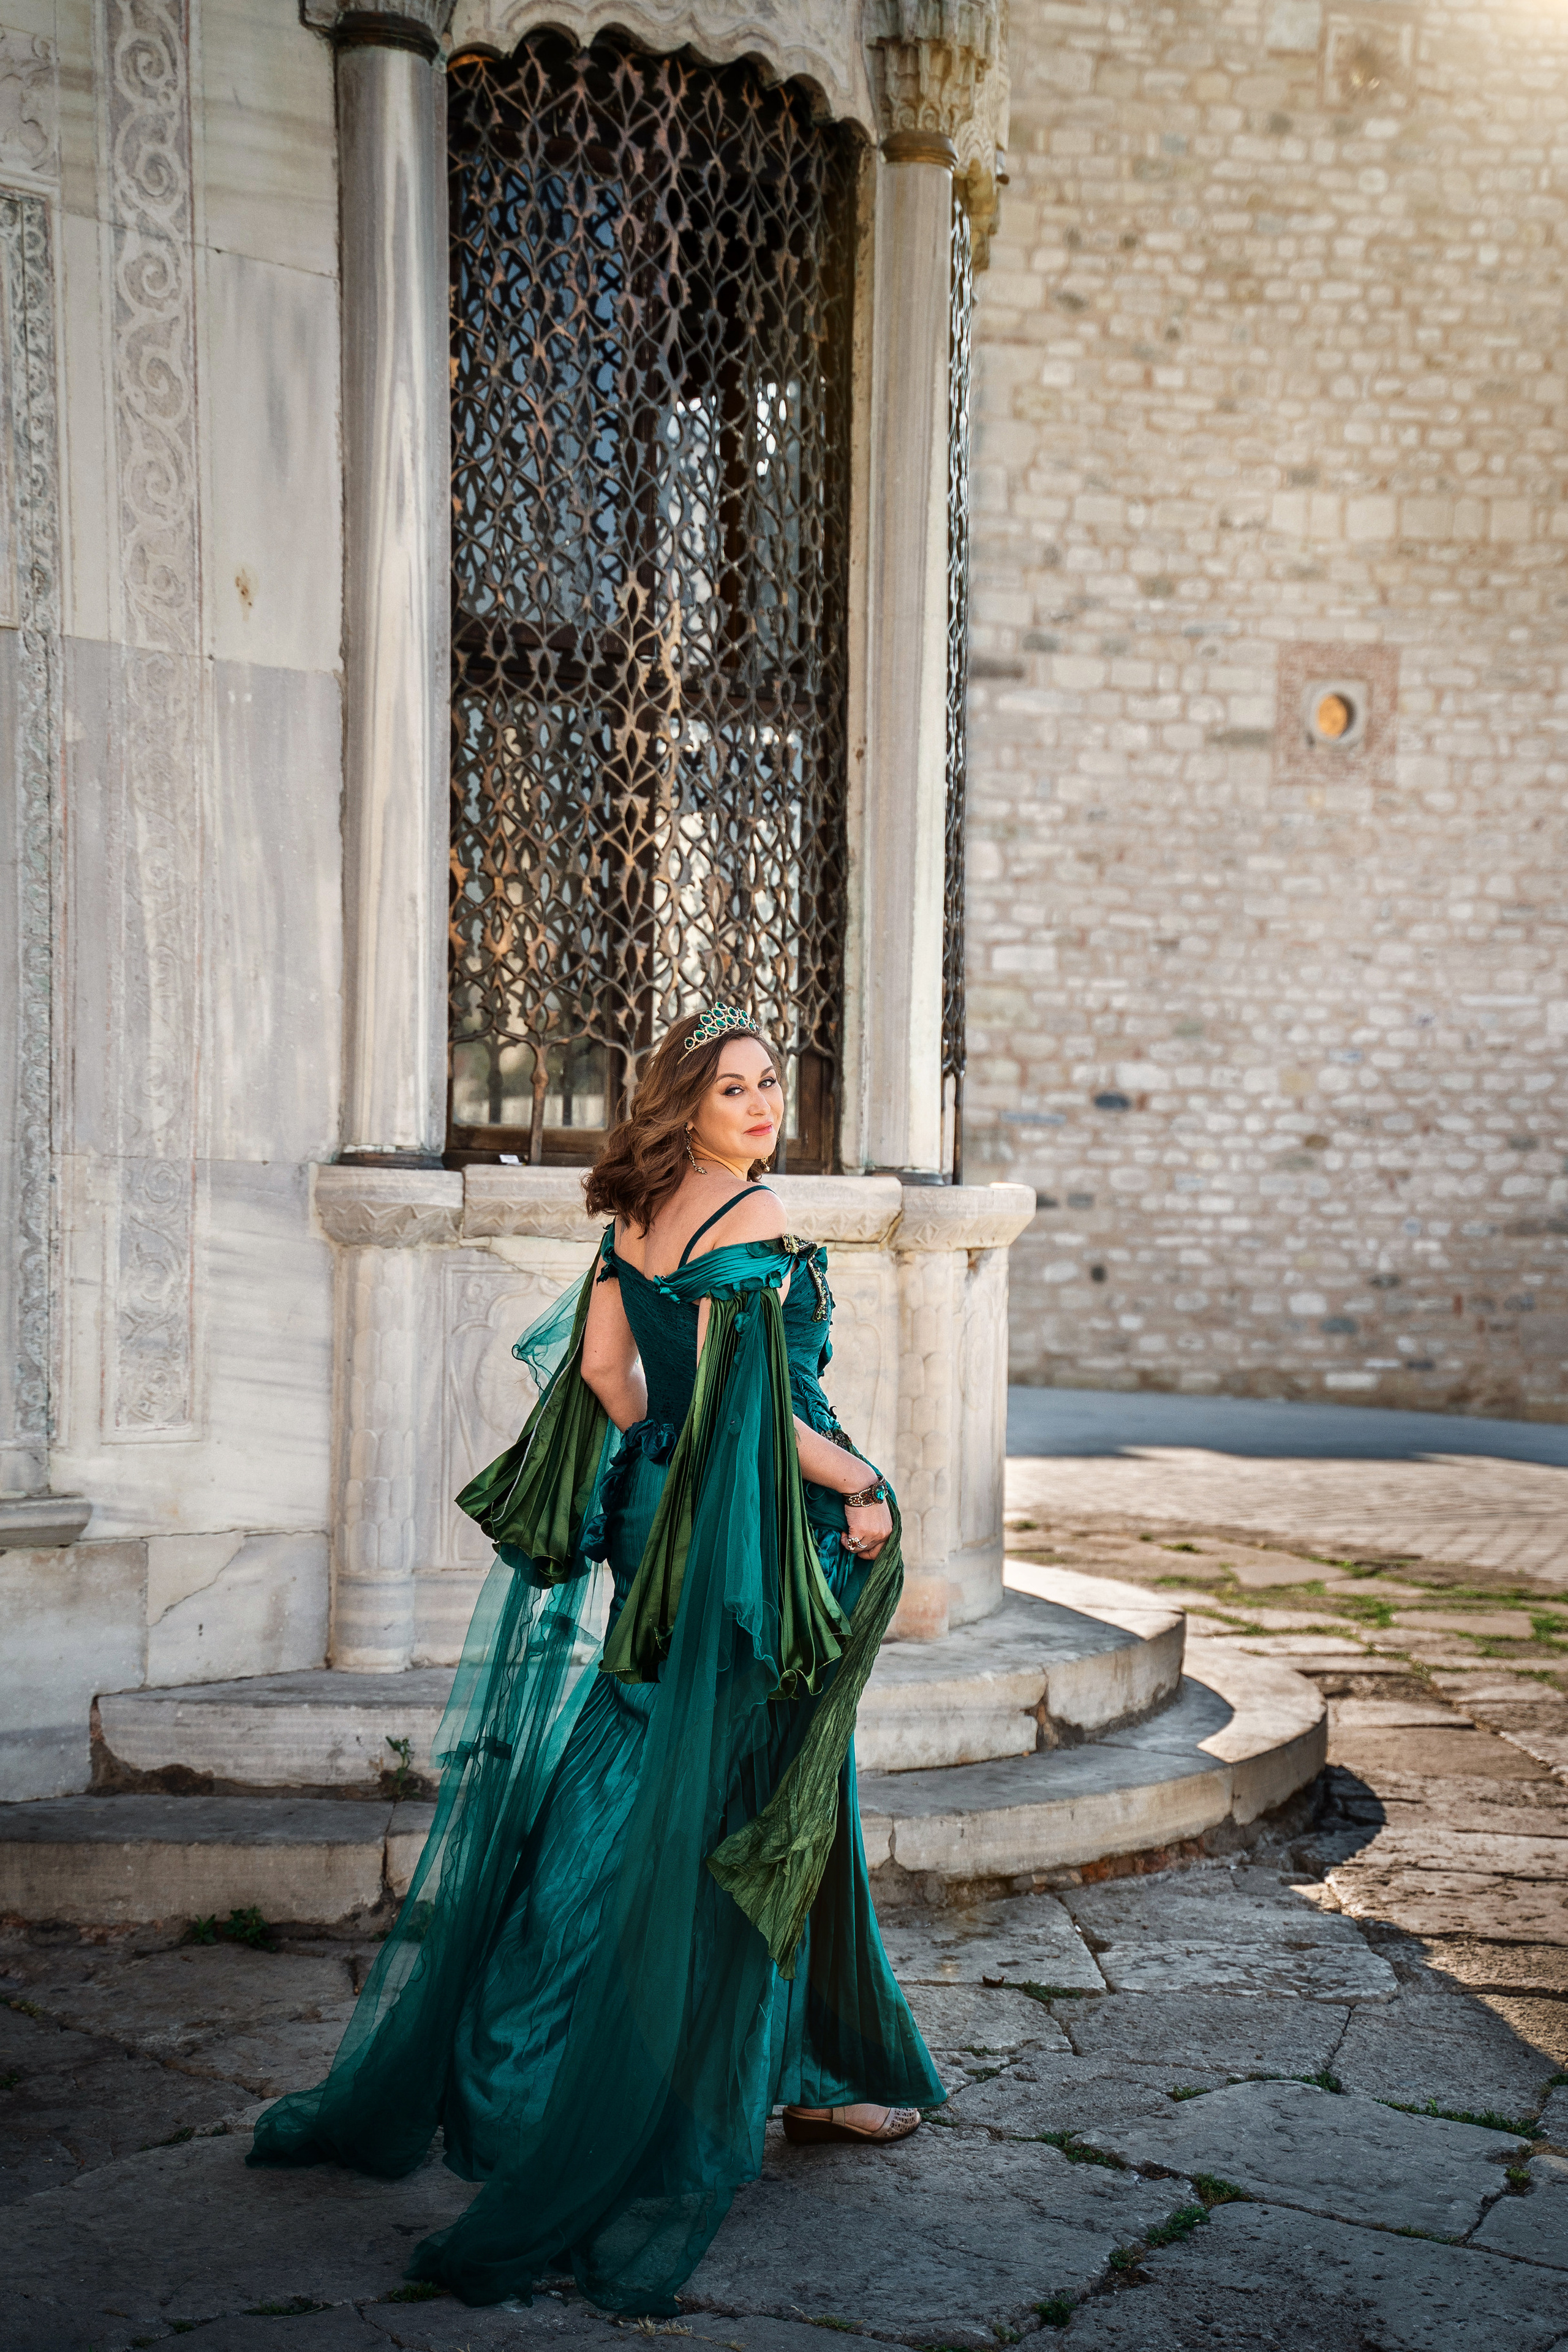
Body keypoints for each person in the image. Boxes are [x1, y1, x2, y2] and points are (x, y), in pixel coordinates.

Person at [248, 1004, 944, 2311]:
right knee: (768, 1790)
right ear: (684, 1102)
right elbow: (756, 1413)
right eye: (732, 1089)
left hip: (656, 1522)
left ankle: (698, 2065)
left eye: (767, 1084)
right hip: (749, 1538)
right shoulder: (752, 1216)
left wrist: (665, 1458)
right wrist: (865, 1484)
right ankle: (714, 2081)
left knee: (668, 1772)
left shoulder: (634, 1218)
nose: (761, 1105)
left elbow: (613, 1381)